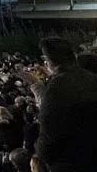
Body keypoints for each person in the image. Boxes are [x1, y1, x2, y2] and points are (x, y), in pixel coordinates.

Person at [25, 37, 97, 172]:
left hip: (73, 161)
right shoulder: (91, 78)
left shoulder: (55, 91)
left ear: (49, 61)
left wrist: (38, 152)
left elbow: (48, 137)